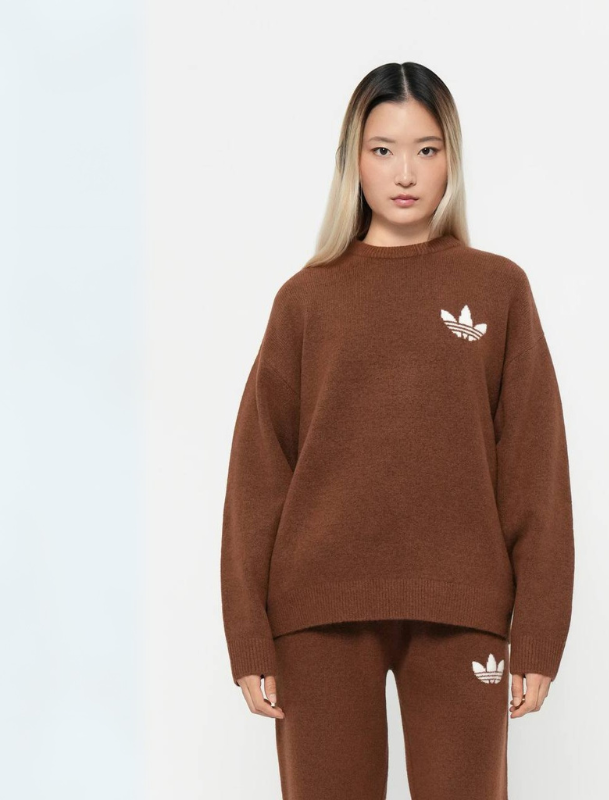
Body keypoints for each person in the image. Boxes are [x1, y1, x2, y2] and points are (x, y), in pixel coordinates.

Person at [220, 61, 575, 799]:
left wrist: (540, 629)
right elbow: (259, 474)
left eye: (426, 149)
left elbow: (534, 468)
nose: (405, 172)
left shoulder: (498, 289)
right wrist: (248, 634)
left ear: (452, 159)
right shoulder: (306, 299)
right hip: (318, 610)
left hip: (463, 604)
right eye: (382, 150)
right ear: (353, 160)